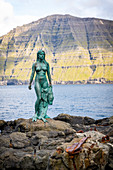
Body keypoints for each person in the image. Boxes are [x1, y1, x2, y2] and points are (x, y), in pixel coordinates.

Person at [28, 50, 54, 122]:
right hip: (37, 81)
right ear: (38, 55)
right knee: (39, 98)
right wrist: (30, 83)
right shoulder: (35, 64)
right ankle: (36, 113)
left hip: (45, 81)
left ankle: (43, 114)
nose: (42, 56)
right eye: (40, 54)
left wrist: (50, 83)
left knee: (44, 99)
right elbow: (32, 74)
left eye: (43, 54)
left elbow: (48, 73)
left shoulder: (46, 64)